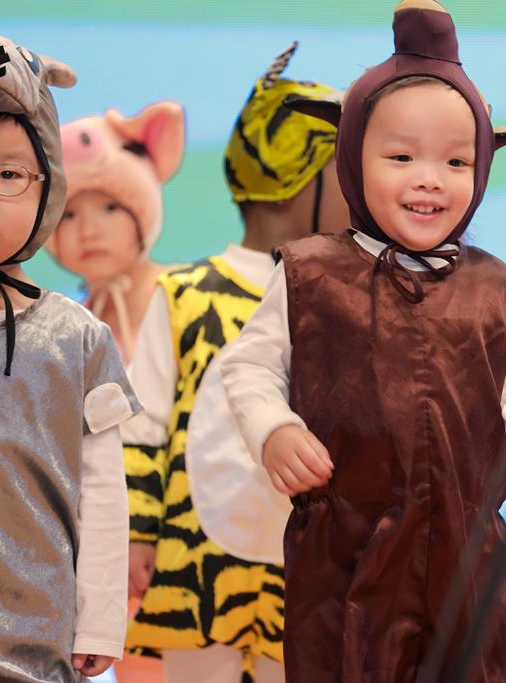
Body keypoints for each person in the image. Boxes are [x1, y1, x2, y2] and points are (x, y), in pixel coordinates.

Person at [220, 2, 506, 680]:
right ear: (352, 157)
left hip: (465, 559)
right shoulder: (313, 273)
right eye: (401, 156)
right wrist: (273, 429)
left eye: (456, 160)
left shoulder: (494, 286)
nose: (429, 177)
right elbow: (249, 366)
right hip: (347, 558)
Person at [120, 42, 350, 683]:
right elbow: (142, 424)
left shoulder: (343, 299)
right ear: (296, 175)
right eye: (348, 171)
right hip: (195, 566)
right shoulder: (184, 294)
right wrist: (137, 533)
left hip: (307, 570)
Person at [0, 33, 137, 680]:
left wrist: (99, 618)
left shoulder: (78, 338)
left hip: (32, 641)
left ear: (48, 187)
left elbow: (103, 490)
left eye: (9, 175)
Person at [49, 101, 185, 362]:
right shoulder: (65, 331)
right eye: (68, 215)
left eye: (110, 208)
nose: (88, 232)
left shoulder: (188, 298)